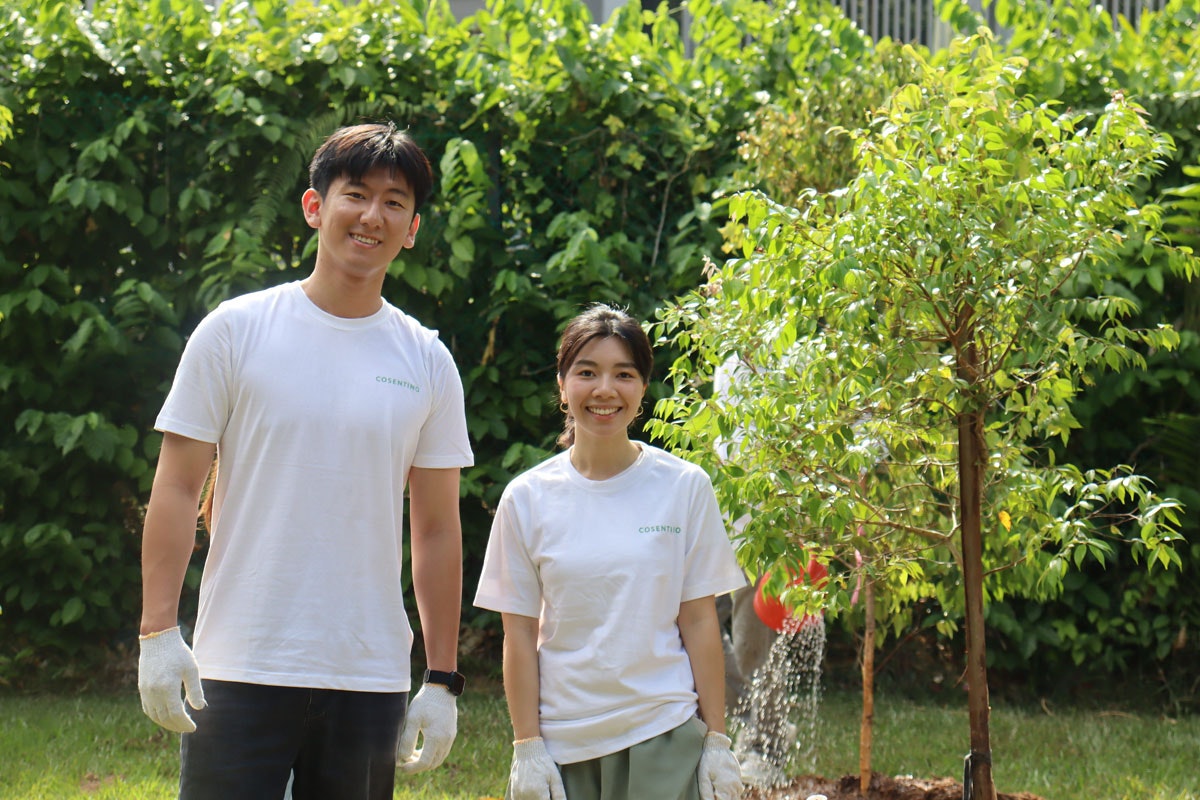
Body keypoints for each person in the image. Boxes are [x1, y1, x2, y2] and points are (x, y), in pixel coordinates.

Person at [136, 122, 474, 800]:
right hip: (239, 663)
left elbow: (437, 528)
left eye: (395, 202)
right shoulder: (235, 331)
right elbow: (175, 487)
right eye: (356, 194)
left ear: (412, 229)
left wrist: (441, 678)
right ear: (315, 206)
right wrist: (157, 632)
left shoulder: (427, 360)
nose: (372, 216)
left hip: (367, 674)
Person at [474, 304, 746, 800]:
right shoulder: (526, 498)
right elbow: (519, 633)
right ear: (562, 385)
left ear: (642, 388)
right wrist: (527, 747)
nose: (605, 389)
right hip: (563, 747)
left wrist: (717, 741)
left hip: (665, 735)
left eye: (623, 374)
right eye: (587, 373)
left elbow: (700, 620)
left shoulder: (684, 487)